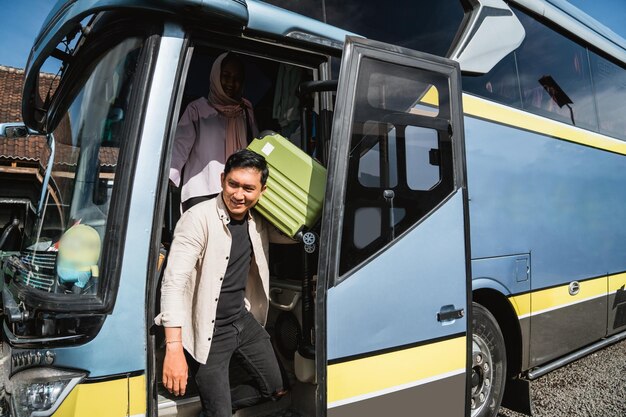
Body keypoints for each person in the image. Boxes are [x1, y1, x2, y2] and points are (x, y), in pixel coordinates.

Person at [155, 149, 292, 417]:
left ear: (262, 191)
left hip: (241, 319)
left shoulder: (258, 220)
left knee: (278, 388)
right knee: (219, 412)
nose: (239, 195)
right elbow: (173, 284)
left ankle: (215, 410)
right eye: (233, 184)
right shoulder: (197, 219)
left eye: (249, 188)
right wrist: (173, 348)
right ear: (222, 180)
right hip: (209, 329)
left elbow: (294, 232)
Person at [170, 52, 258, 211]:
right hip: (203, 190)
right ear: (216, 76)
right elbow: (180, 145)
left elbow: (255, 148)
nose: (231, 83)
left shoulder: (245, 110)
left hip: (238, 193)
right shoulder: (197, 109)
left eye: (237, 78)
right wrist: (169, 176)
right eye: (226, 76)